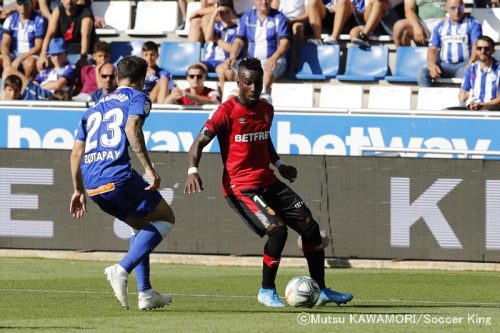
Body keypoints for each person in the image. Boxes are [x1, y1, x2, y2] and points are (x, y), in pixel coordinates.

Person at [184, 57, 353, 307]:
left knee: (310, 227)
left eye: (258, 82)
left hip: (268, 180)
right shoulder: (226, 112)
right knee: (277, 231)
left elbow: (263, 139)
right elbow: (198, 142)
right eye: (248, 83)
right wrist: (192, 170)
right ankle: (266, 290)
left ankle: (323, 290)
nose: (254, 88)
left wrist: (280, 164)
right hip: (240, 187)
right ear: (238, 82)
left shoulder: (266, 109)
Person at [69, 55, 175, 311]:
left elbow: (75, 153)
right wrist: (149, 168)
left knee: (141, 226)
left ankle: (146, 293)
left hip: (93, 184)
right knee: (165, 218)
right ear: (143, 79)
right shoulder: (138, 97)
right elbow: (132, 127)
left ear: (117, 78)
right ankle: (121, 268)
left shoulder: (93, 108)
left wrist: (77, 189)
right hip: (116, 175)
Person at [226, 0, 291, 100]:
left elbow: (284, 43)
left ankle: (263, 99)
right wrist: (232, 56)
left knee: (267, 72)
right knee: (227, 69)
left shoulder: (279, 17)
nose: (264, 2)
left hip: (275, 60)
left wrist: (274, 58)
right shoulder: (247, 17)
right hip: (252, 61)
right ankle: (231, 101)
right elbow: (239, 41)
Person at [416, 0, 482, 87]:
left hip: (464, 64)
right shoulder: (440, 26)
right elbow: (432, 49)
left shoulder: (472, 23)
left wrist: (471, 63)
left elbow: (476, 45)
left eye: (460, 8)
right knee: (422, 73)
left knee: (471, 74)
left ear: (464, 7)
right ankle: (429, 98)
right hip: (444, 65)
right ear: (446, 9)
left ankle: (464, 98)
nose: (457, 11)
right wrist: (432, 65)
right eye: (453, 8)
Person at [37, 0, 96, 70]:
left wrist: (83, 57)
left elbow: (85, 36)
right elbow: (50, 34)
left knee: (82, 66)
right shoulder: (57, 11)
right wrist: (43, 54)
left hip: (80, 52)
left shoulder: (85, 11)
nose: (69, 1)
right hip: (62, 53)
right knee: (41, 63)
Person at [1, 0, 47, 80]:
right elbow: (4, 44)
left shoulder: (39, 20)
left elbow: (38, 47)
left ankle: (26, 86)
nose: (23, 6)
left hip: (30, 54)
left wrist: (20, 58)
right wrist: (6, 58)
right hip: (14, 53)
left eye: (26, 3)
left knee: (29, 64)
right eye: (20, 3)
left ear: (31, 4)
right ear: (16, 4)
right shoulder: (10, 19)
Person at [200, 0, 238, 91]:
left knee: (221, 71)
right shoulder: (215, 26)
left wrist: (216, 39)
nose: (224, 15)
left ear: (232, 12)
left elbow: (232, 49)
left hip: (223, 61)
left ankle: (224, 99)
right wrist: (214, 15)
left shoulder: (237, 29)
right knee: (195, 69)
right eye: (221, 12)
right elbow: (208, 37)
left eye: (227, 12)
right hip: (209, 60)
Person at [457, 35, 499, 110]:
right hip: (475, 107)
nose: (483, 51)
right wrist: (463, 95)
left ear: (493, 50)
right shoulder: (470, 69)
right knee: (445, 111)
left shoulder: (498, 69)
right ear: (476, 50)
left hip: (494, 109)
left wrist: (483, 105)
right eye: (479, 48)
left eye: (486, 49)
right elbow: (463, 91)